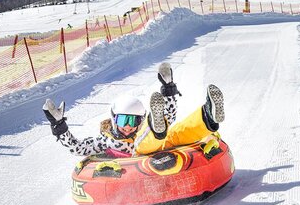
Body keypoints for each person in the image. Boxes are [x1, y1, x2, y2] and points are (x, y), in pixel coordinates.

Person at [43, 62, 224, 157]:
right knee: (142, 143)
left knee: (176, 132)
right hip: (140, 155)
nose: (129, 127)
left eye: (134, 121)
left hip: (160, 145)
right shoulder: (105, 140)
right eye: (124, 121)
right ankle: (155, 129)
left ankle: (207, 116)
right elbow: (79, 148)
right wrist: (59, 126)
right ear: (114, 120)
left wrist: (169, 89)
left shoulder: (138, 130)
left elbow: (169, 114)